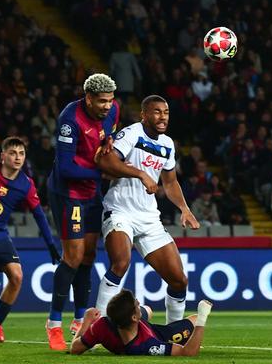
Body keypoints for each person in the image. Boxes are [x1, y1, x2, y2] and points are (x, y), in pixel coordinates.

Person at [93, 95, 199, 324]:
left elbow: (170, 183)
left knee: (179, 280)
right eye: (157, 112)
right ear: (144, 114)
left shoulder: (167, 144)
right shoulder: (131, 134)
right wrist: (141, 174)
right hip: (120, 210)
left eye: (166, 112)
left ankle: (174, 331)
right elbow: (106, 161)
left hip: (149, 218)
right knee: (121, 262)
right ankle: (98, 326)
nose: (162, 117)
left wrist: (184, 208)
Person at [46, 73, 120, 350]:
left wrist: (109, 139)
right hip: (69, 193)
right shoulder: (70, 119)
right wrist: (101, 170)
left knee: (89, 255)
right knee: (74, 256)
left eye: (110, 100)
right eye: (101, 101)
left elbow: (109, 130)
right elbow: (64, 168)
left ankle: (79, 319)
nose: (107, 106)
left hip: (92, 193)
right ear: (87, 98)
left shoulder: (113, 108)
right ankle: (54, 323)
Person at [0, 137, 60, 342]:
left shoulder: (25, 184)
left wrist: (51, 244)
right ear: (3, 156)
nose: (17, 157)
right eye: (13, 153)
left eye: (21, 153)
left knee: (16, 276)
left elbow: (39, 214)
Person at [70, 289, 212, 356]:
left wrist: (87, 321)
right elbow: (189, 352)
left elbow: (75, 348)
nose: (138, 303)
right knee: (194, 320)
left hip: (133, 326)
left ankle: (146, 312)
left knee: (147, 310)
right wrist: (203, 315)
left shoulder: (102, 325)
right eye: (136, 305)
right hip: (158, 333)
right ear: (134, 318)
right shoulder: (147, 345)